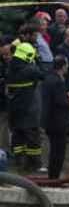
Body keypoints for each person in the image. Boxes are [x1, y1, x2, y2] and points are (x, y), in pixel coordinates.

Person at [5, 42, 45, 171]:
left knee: (17, 135)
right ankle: (34, 164)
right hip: (29, 109)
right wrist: (38, 60)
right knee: (33, 138)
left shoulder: (10, 68)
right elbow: (43, 74)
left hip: (14, 109)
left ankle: (19, 161)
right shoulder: (30, 69)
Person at [41, 56, 69, 179]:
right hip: (59, 121)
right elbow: (60, 101)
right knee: (59, 151)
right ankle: (54, 176)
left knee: (54, 150)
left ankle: (52, 174)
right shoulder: (58, 81)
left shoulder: (48, 78)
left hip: (49, 120)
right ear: (63, 66)